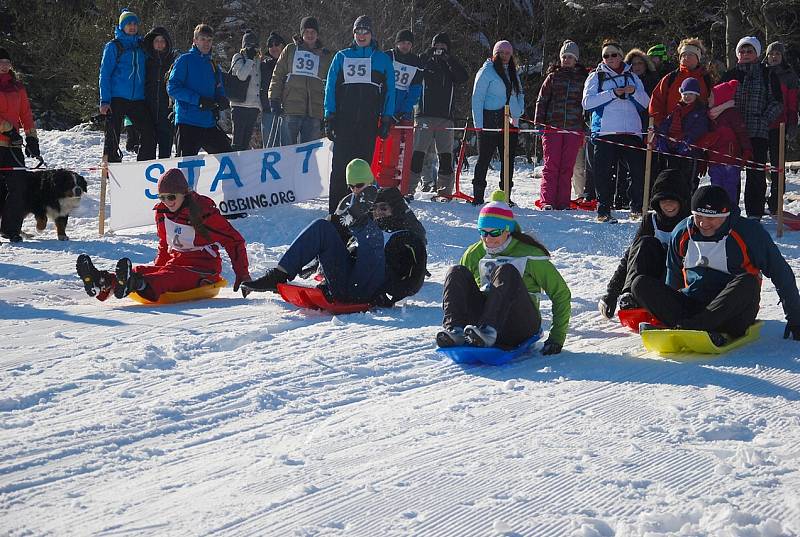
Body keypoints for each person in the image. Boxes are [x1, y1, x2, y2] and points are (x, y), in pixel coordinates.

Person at [242, 159, 427, 306]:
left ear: (371, 182)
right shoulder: (348, 202)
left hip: (374, 283)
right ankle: (278, 275)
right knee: (322, 226)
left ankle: (360, 220)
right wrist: (322, 274)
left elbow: (418, 246)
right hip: (348, 281)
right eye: (352, 186)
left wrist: (391, 295)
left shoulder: (393, 201)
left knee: (374, 234)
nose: (355, 189)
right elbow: (330, 240)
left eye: (360, 185)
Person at [634, 184, 800, 343]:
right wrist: (667, 307)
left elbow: (781, 273)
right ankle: (692, 326)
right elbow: (673, 273)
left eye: (711, 218)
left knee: (748, 280)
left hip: (733, 313)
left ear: (725, 215)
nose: (704, 223)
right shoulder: (682, 231)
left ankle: (696, 327)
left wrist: (795, 318)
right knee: (639, 283)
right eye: (698, 217)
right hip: (693, 305)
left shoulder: (749, 232)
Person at [76, 168, 251, 302]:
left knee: (168, 278)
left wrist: (242, 274)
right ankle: (101, 283)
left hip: (203, 270)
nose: (167, 202)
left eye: (171, 197)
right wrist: (157, 269)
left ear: (184, 193)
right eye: (162, 197)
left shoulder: (203, 213)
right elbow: (164, 243)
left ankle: (137, 283)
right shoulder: (162, 213)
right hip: (175, 263)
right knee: (141, 271)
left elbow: (233, 241)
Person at [436, 190, 570, 353]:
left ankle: (489, 332)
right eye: (483, 233)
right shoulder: (474, 253)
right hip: (482, 321)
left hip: (520, 324)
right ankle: (454, 330)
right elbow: (459, 292)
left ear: (508, 230)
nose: (488, 238)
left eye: (495, 233)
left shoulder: (529, 254)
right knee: (456, 271)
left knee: (505, 270)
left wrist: (557, 337)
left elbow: (560, 293)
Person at [323, 16, 395, 215]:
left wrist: (387, 118)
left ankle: (361, 211)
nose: (362, 35)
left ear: (371, 34)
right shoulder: (341, 57)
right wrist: (329, 116)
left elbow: (390, 91)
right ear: (353, 34)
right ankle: (335, 213)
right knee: (340, 169)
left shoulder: (382, 59)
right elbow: (330, 88)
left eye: (365, 31)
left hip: (368, 123)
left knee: (363, 169)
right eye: (358, 32)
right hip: (343, 122)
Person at [598, 168, 691, 319]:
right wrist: (612, 292)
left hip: (679, 280)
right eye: (663, 200)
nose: (668, 204)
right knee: (645, 243)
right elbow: (631, 257)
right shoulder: (650, 221)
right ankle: (630, 295)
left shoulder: (691, 223)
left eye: (673, 200)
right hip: (652, 280)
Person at [582, 39, 649, 222]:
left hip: (631, 132)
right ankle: (603, 210)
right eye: (606, 55)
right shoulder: (596, 76)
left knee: (636, 172)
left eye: (613, 54)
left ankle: (636, 208)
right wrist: (613, 93)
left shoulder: (633, 76)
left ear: (621, 55)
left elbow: (646, 104)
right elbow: (587, 103)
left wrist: (633, 91)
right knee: (603, 173)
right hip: (605, 132)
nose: (610, 58)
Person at [720, 36, 783, 220]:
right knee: (731, 172)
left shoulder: (767, 74)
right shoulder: (730, 74)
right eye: (742, 51)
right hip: (732, 132)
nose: (745, 54)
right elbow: (717, 100)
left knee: (756, 174)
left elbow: (777, 102)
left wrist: (764, 119)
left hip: (757, 131)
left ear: (757, 53)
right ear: (737, 53)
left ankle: (755, 213)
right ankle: (730, 211)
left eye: (750, 51)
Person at [407, 32, 469, 197]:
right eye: (437, 46)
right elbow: (414, 67)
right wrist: (428, 54)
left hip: (445, 118)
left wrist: (449, 59)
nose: (440, 49)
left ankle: (444, 192)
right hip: (424, 116)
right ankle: (408, 189)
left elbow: (463, 77)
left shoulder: (450, 65)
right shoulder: (425, 62)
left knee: (446, 157)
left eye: (443, 47)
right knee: (417, 154)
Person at [534, 40, 588, 210]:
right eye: (564, 57)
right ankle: (547, 200)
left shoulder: (583, 79)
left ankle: (563, 202)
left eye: (570, 57)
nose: (566, 60)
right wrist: (539, 123)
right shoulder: (553, 77)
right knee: (551, 165)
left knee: (567, 167)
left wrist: (585, 128)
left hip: (574, 127)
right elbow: (541, 100)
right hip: (553, 127)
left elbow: (586, 104)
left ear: (576, 60)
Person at [471, 40, 525, 205]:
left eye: (508, 53)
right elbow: (477, 98)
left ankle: (506, 196)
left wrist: (519, 111)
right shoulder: (487, 71)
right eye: (501, 53)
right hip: (489, 119)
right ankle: (478, 196)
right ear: (495, 54)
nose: (504, 56)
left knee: (507, 160)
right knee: (484, 158)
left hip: (509, 121)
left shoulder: (512, 72)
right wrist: (478, 124)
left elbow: (519, 94)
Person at [98, 9, 156, 162]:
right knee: (112, 135)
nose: (132, 26)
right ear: (121, 26)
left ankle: (144, 165)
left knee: (149, 132)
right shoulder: (113, 46)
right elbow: (105, 75)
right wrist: (105, 101)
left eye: (135, 24)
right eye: (128, 24)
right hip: (117, 98)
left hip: (138, 99)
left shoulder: (142, 46)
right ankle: (111, 167)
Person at [167, 23, 232, 157]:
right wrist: (198, 100)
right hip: (187, 122)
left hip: (208, 122)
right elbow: (172, 88)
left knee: (230, 158)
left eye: (209, 40)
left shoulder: (213, 65)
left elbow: (219, 88)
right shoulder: (184, 60)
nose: (206, 43)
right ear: (195, 41)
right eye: (202, 39)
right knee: (186, 168)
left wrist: (222, 99)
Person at [372, 29, 423, 190]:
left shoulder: (416, 63)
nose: (405, 46)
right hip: (383, 109)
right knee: (377, 146)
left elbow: (415, 90)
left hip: (403, 112)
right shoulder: (388, 57)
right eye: (402, 42)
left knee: (394, 148)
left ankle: (391, 183)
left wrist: (402, 111)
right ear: (396, 43)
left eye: (408, 43)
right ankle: (373, 180)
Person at [268, 17, 332, 145]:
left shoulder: (325, 56)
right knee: (287, 151)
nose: (310, 35)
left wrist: (328, 111)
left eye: (313, 32)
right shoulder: (291, 49)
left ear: (317, 34)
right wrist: (273, 98)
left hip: (314, 111)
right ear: (302, 33)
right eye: (306, 32)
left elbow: (330, 83)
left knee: (310, 153)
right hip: (291, 108)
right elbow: (278, 74)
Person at [0, 48, 40, 243]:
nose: (4, 65)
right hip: (4, 139)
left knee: (19, 187)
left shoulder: (17, 87)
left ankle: (11, 228)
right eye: (1, 62)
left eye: (7, 62)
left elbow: (25, 114)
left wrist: (32, 138)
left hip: (13, 146)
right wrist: (7, 129)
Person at [697, 80, 752, 205]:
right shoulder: (709, 116)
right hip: (714, 160)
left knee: (730, 187)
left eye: (711, 96)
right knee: (716, 187)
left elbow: (742, 133)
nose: (708, 99)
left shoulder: (732, 114)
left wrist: (747, 150)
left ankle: (731, 211)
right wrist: (704, 156)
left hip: (730, 160)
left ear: (720, 98)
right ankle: (717, 210)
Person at [654, 77, 709, 193]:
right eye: (685, 93)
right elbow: (666, 124)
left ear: (696, 95)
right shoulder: (677, 110)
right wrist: (662, 136)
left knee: (687, 180)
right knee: (671, 178)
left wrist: (686, 139)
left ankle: (688, 202)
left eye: (691, 94)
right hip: (672, 150)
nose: (687, 96)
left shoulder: (699, 111)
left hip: (689, 152)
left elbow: (699, 129)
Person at [763, 41, 799, 214]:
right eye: (771, 54)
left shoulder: (789, 75)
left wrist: (793, 123)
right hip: (761, 125)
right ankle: (757, 199)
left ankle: (776, 202)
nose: (774, 57)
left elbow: (792, 103)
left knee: (778, 165)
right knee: (758, 165)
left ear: (782, 56)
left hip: (780, 124)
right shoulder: (761, 72)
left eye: (777, 54)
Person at [143, 26, 178, 158]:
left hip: (166, 112)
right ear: (152, 43)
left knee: (165, 150)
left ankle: (166, 178)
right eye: (157, 41)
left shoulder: (174, 61)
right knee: (147, 149)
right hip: (147, 110)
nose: (160, 44)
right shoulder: (145, 61)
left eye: (163, 41)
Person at [229, 30, 263, 151]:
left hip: (253, 106)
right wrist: (249, 60)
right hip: (239, 105)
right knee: (237, 141)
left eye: (254, 45)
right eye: (249, 45)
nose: (251, 48)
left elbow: (259, 83)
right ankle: (234, 164)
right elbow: (242, 76)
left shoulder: (258, 59)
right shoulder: (238, 57)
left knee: (246, 141)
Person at [259, 32, 286, 147]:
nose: (274, 48)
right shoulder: (263, 65)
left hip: (287, 111)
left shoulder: (291, 64)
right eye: (270, 45)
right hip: (268, 111)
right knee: (269, 147)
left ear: (283, 46)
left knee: (287, 148)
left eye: (276, 44)